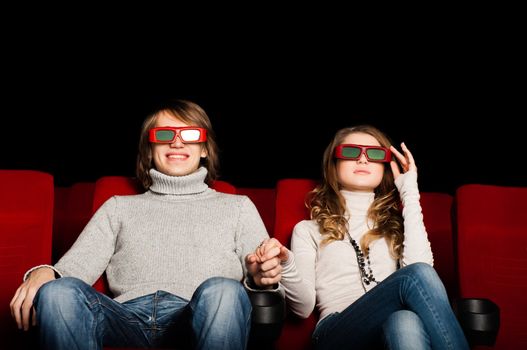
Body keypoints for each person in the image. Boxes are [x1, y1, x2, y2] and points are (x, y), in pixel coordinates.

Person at [10, 99, 282, 350]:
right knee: (58, 291)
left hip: (197, 314)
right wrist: (44, 271)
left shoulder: (238, 207)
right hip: (124, 318)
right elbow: (72, 271)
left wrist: (261, 280)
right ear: (149, 150)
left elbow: (265, 280)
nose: (176, 143)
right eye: (164, 135)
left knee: (223, 289)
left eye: (189, 135)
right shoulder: (118, 207)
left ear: (205, 149)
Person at [253, 125, 469, 349]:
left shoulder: (397, 226)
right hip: (335, 333)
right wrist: (287, 264)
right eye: (351, 152)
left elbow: (422, 274)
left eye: (375, 154)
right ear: (333, 165)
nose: (363, 159)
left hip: (390, 328)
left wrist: (410, 192)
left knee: (404, 320)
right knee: (415, 278)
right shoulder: (307, 230)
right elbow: (302, 308)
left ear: (385, 167)